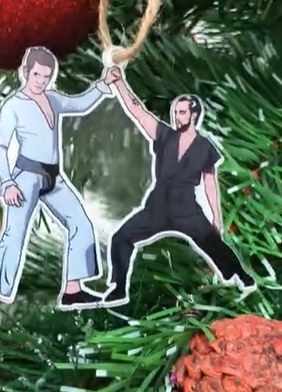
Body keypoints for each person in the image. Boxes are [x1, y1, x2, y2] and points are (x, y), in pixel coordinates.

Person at [0, 47, 118, 323]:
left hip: (54, 176)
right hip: (25, 177)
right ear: (25, 72)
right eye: (37, 75)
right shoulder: (13, 105)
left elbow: (80, 104)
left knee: (80, 223)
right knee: (13, 235)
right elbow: (0, 147)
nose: (41, 80)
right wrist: (7, 183)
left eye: (46, 76)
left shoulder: (52, 99)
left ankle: (73, 289)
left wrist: (103, 85)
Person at [103, 67, 256, 306]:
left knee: (213, 242)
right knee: (121, 237)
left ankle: (242, 278)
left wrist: (216, 218)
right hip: (157, 206)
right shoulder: (165, 135)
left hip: (186, 208)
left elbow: (210, 182)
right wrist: (119, 83)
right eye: (175, 112)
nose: (177, 116)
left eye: (182, 112)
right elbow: (138, 111)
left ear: (194, 115)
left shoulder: (204, 146)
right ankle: (118, 288)